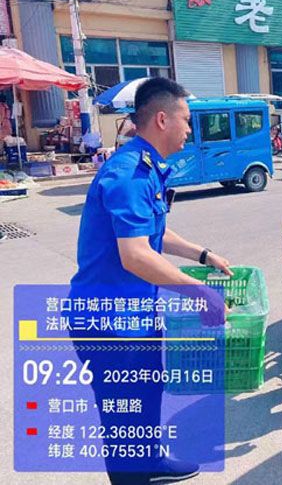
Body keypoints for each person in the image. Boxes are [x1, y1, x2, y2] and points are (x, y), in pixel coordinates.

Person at [70, 77, 232, 484]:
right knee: (123, 414)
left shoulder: (149, 167)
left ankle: (151, 462)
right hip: (108, 323)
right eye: (187, 120)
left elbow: (152, 233)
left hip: (136, 314)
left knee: (146, 394)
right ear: (162, 119)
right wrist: (201, 294)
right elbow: (135, 255)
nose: (190, 129)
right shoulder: (129, 174)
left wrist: (203, 254)